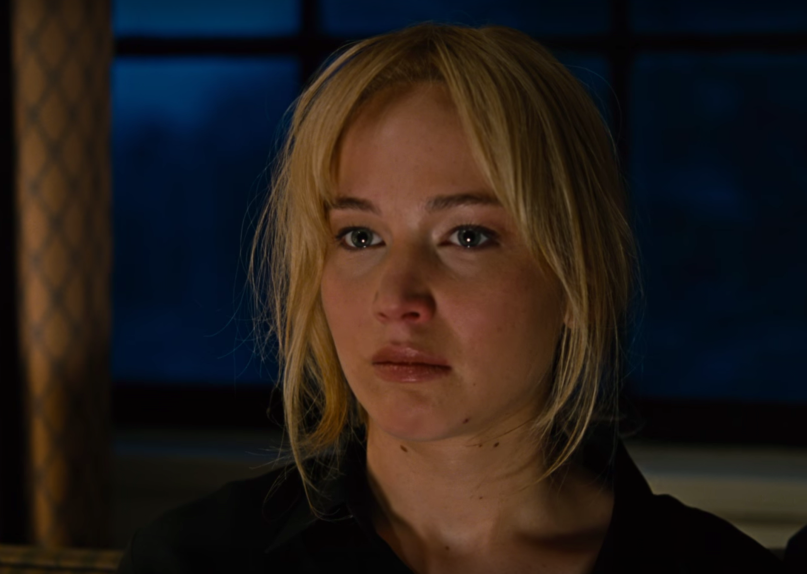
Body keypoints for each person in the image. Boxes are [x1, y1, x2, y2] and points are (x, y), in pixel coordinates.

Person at [116, 23, 784, 573]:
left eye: (466, 236)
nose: (396, 297)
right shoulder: (195, 560)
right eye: (359, 236)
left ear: (575, 278)